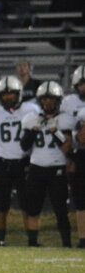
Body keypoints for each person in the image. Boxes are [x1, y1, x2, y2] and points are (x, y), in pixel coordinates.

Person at [0, 76, 37, 246]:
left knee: (27, 205)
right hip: (2, 163)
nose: (8, 98)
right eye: (4, 95)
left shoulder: (31, 110)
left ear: (19, 94)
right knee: (2, 206)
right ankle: (0, 240)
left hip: (23, 163)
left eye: (11, 95)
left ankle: (31, 240)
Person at [20, 82, 74, 247]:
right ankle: (32, 243)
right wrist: (34, 130)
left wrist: (55, 132)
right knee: (33, 208)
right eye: (44, 100)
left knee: (60, 210)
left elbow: (68, 148)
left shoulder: (66, 119)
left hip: (57, 167)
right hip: (37, 167)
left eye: (51, 100)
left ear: (58, 101)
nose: (47, 103)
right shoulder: (32, 119)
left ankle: (66, 243)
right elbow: (24, 146)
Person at [60, 66, 85, 248]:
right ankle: (83, 238)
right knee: (80, 200)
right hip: (79, 154)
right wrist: (69, 156)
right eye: (82, 83)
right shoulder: (69, 102)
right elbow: (66, 133)